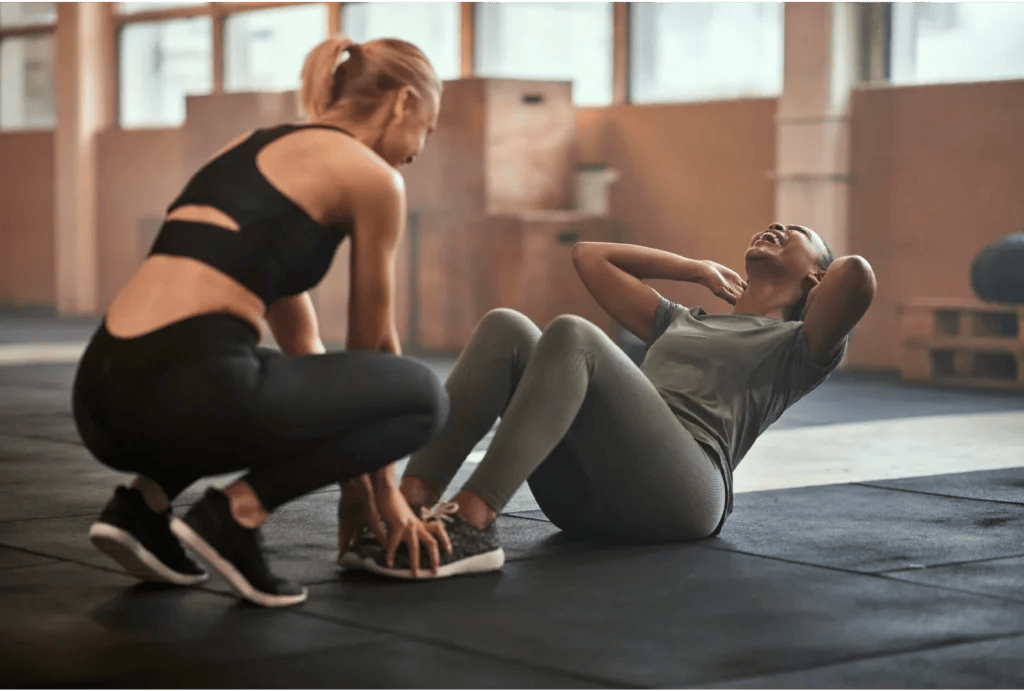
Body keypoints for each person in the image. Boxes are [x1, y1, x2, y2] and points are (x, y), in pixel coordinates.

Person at [74, 36, 454, 608]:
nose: (419, 150)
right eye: (427, 128)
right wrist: (384, 498)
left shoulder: (253, 148)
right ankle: (236, 516)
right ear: (403, 103)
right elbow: (376, 346)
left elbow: (304, 347)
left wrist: (353, 466)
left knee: (260, 376)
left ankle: (141, 508)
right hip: (185, 388)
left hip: (101, 396)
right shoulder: (374, 180)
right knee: (423, 396)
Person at [339, 224, 876, 579]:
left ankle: (474, 524)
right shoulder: (682, 320)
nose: (777, 227)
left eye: (796, 231)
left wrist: (823, 280)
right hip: (587, 495)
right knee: (506, 327)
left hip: (683, 495)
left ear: (815, 277)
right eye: (774, 223)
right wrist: (695, 269)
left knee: (574, 334)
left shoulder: (799, 350)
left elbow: (857, 276)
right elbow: (589, 257)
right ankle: (405, 508)